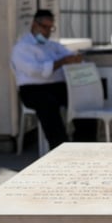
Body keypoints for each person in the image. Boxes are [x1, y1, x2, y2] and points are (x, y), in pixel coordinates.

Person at [10, 9, 96, 149]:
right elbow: (35, 71)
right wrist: (61, 62)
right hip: (33, 89)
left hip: (57, 86)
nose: (47, 31)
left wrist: (75, 59)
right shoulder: (22, 48)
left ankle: (84, 144)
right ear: (34, 25)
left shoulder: (52, 45)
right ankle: (59, 147)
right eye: (44, 27)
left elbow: (69, 56)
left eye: (50, 28)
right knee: (48, 105)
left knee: (83, 100)